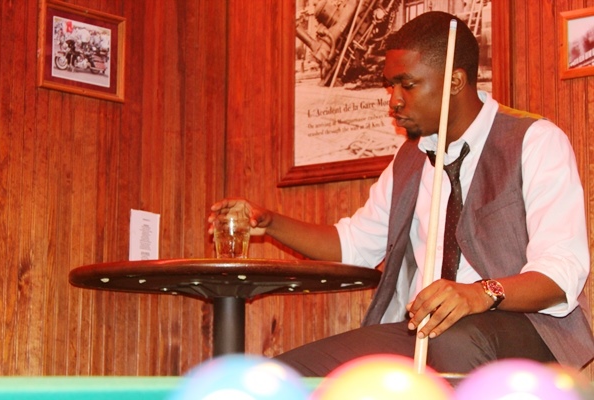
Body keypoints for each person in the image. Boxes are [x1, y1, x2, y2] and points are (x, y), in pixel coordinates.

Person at [208, 11, 594, 376]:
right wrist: (271, 222)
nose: (393, 100)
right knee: (283, 377)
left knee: (453, 340)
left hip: (521, 329)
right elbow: (354, 245)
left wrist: (479, 294)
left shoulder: (534, 140)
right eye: (389, 86)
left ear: (455, 83)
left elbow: (562, 272)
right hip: (425, 332)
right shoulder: (409, 159)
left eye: (407, 85)